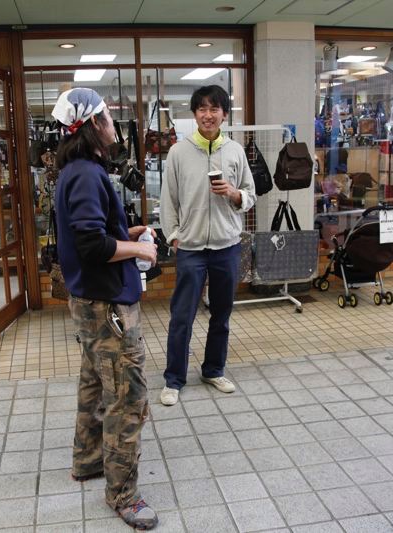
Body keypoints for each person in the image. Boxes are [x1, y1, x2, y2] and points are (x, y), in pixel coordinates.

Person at [52, 88, 159, 530]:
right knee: (127, 397)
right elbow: (92, 245)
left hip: (90, 300)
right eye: (109, 116)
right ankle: (123, 495)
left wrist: (128, 231)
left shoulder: (78, 171)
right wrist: (140, 249)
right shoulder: (86, 174)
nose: (115, 124)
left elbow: (92, 231)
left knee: (94, 383)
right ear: (94, 124)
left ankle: (88, 459)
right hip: (107, 303)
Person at [159, 84, 256, 406]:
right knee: (182, 316)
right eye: (202, 108)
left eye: (214, 109)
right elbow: (168, 201)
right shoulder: (179, 152)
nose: (208, 115)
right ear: (194, 114)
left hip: (227, 246)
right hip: (191, 247)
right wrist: (174, 236)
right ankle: (174, 379)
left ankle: (213, 370)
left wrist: (234, 194)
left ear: (224, 114)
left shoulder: (235, 151)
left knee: (221, 314)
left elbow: (251, 195)